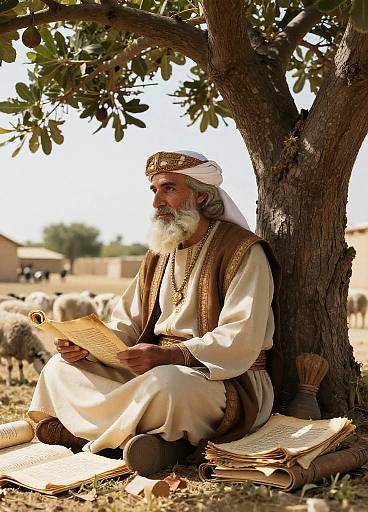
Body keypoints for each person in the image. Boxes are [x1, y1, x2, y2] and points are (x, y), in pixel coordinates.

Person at [27, 150, 282, 475]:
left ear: (201, 195)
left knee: (169, 385)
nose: (156, 202)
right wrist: (85, 346)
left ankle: (81, 435)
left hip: (224, 377)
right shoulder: (159, 254)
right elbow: (127, 322)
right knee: (58, 369)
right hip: (154, 368)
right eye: (154, 190)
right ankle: (145, 443)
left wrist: (172, 356)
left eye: (168, 189)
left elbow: (240, 336)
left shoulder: (244, 251)